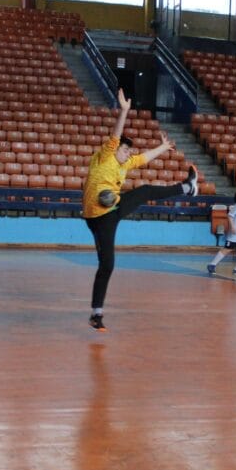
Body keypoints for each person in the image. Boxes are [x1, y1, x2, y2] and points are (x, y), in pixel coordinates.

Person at [82, 89, 199, 332]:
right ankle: (96, 312)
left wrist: (163, 147)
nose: (128, 153)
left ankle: (187, 187)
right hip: (97, 217)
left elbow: (143, 159)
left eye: (128, 152)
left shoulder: (126, 163)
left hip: (112, 210)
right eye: (125, 150)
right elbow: (115, 136)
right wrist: (124, 111)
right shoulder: (105, 157)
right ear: (115, 149)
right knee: (107, 265)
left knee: (145, 190)